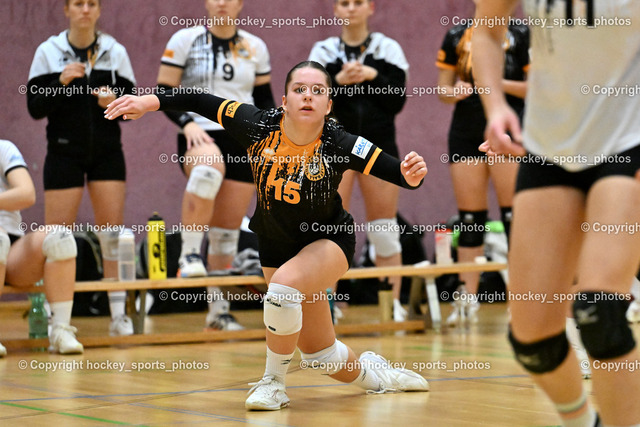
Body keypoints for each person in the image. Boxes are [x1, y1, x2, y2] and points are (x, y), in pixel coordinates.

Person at [105, 61, 430, 410]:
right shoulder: (257, 125)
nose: (308, 96)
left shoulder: (340, 142)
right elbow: (198, 99)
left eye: (318, 91)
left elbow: (398, 172)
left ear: (329, 105)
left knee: (281, 290)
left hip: (329, 242)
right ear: (285, 100)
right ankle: (380, 377)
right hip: (276, 246)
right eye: (300, 89)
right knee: (320, 355)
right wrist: (146, 102)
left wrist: (412, 175)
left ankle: (273, 383)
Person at [473, 1, 640, 426]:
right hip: (550, 146)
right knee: (533, 340)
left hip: (628, 138)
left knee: (599, 311)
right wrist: (495, 108)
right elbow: (487, 30)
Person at [156, 0, 275, 331]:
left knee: (226, 233)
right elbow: (163, 90)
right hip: (200, 133)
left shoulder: (255, 46)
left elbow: (263, 98)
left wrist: (269, 134)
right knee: (207, 173)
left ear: (240, 4)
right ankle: (189, 255)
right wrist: (185, 123)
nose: (222, 3)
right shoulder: (185, 39)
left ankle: (217, 312)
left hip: (241, 137)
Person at [26, 0, 136, 336]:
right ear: (67, 10)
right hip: (63, 154)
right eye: (78, 3)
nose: (85, 10)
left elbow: (132, 106)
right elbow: (34, 107)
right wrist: (59, 82)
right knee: (57, 238)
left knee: (112, 237)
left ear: (99, 10)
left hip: (107, 154)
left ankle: (118, 316)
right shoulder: (49, 51)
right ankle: (54, 318)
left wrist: (114, 101)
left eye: (91, 4)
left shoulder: (115, 51)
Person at [308, 0, 410, 321]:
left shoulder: (388, 49)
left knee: (384, 228)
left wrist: (372, 75)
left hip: (379, 146)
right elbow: (311, 101)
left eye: (358, 2)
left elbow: (397, 101)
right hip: (336, 146)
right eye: (344, 3)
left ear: (371, 8)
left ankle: (392, 305)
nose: (351, 8)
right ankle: (328, 305)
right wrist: (336, 81)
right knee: (332, 226)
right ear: (336, 10)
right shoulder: (323, 52)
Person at [436, 17, 529, 325]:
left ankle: (522, 299)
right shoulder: (456, 34)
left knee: (514, 216)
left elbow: (534, 89)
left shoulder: (521, 33)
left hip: (509, 127)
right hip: (466, 130)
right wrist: (456, 91)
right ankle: (467, 299)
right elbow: (442, 89)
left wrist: (493, 84)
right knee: (470, 219)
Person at [0, 139, 83, 356]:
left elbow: (26, 193)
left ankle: (60, 330)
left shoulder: (3, 148)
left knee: (60, 238)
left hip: (13, 251)